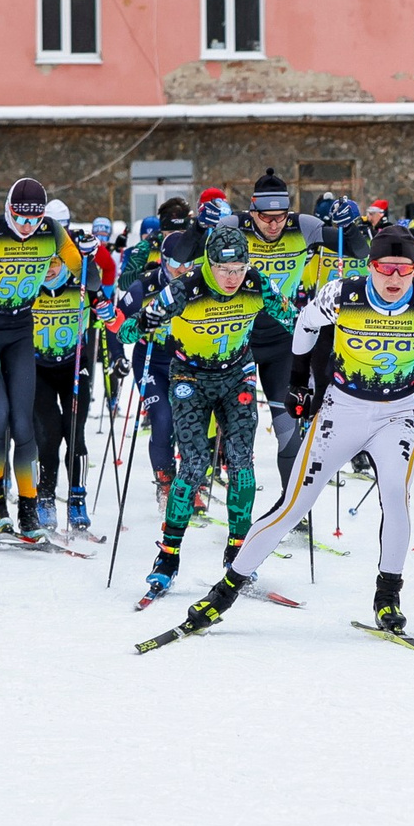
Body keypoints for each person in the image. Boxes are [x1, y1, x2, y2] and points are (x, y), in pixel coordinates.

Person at [174, 227, 414, 637]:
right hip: (341, 411)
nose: (395, 279)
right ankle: (225, 592)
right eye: (385, 269)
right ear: (370, 267)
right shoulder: (342, 293)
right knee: (294, 506)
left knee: (396, 498)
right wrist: (297, 381)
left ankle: (388, 596)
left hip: (397, 413)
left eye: (404, 269)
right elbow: (306, 325)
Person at [119, 222, 297, 599]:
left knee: (241, 462)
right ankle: (167, 558)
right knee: (195, 464)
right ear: (208, 264)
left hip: (238, 375)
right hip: (191, 378)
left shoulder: (257, 282)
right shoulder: (185, 288)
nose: (233, 278)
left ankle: (237, 553)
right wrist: (139, 324)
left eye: (239, 269)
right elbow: (129, 330)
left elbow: (295, 320)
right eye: (224, 270)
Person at [0, 177, 83, 537]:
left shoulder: (50, 231)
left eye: (33, 220)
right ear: (8, 211)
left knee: (23, 423)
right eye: (19, 218)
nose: (26, 227)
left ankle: (28, 508)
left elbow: (85, 273)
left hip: (21, 328)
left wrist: (85, 254)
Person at [238, 171, 327, 487]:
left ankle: (292, 511)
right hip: (240, 343)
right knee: (238, 434)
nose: (274, 225)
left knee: (290, 432)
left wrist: (351, 224)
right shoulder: (233, 228)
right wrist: (197, 226)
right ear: (253, 212)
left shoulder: (305, 226)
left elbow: (356, 248)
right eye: (266, 217)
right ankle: (239, 522)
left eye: (281, 217)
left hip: (283, 344)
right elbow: (182, 253)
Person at [28, 249, 101, 531]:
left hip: (74, 368)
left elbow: (104, 302)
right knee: (48, 434)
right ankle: (45, 497)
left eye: (54, 262)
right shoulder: (29, 288)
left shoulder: (79, 284)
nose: (48, 269)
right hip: (39, 369)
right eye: (42, 262)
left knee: (74, 431)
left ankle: (76, 498)